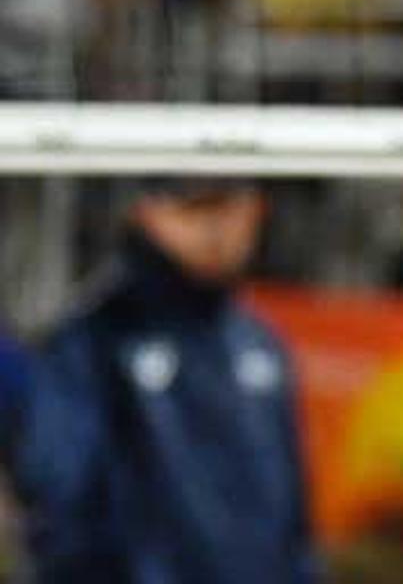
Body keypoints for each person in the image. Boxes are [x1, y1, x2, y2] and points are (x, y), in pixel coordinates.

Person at [0, 179, 316, 584]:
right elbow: (60, 505)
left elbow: (292, 526)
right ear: (146, 212)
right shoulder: (93, 343)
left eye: (232, 206)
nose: (216, 229)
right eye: (194, 208)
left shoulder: (261, 346)